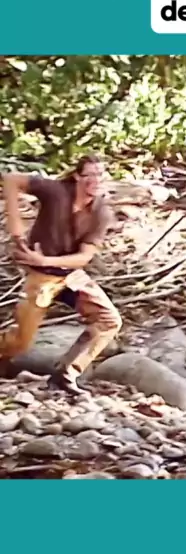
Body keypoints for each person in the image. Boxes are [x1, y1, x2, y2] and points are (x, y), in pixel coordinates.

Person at [0, 154, 122, 395]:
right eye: (89, 175)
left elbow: (84, 257)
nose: (95, 180)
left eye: (100, 174)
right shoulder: (56, 192)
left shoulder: (101, 212)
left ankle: (66, 374)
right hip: (41, 277)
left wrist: (45, 259)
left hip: (70, 275)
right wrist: (16, 228)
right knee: (20, 341)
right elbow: (11, 179)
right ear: (77, 176)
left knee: (109, 320)